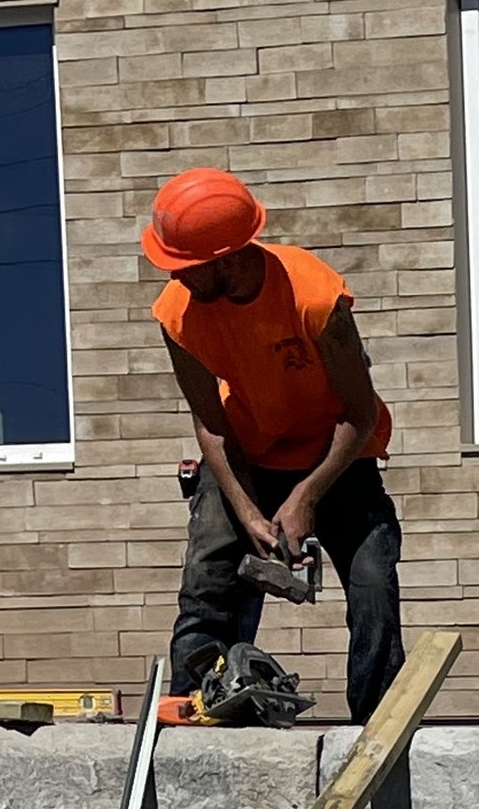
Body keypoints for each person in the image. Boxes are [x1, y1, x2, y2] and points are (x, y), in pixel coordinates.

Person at [142, 168, 404, 720]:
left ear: (231, 258)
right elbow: (210, 423)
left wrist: (306, 496)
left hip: (338, 454)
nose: (177, 279)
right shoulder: (177, 315)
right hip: (245, 453)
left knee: (373, 580)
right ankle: (198, 703)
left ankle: (378, 721)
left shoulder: (314, 296)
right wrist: (247, 511)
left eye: (187, 268)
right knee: (208, 579)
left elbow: (359, 414)